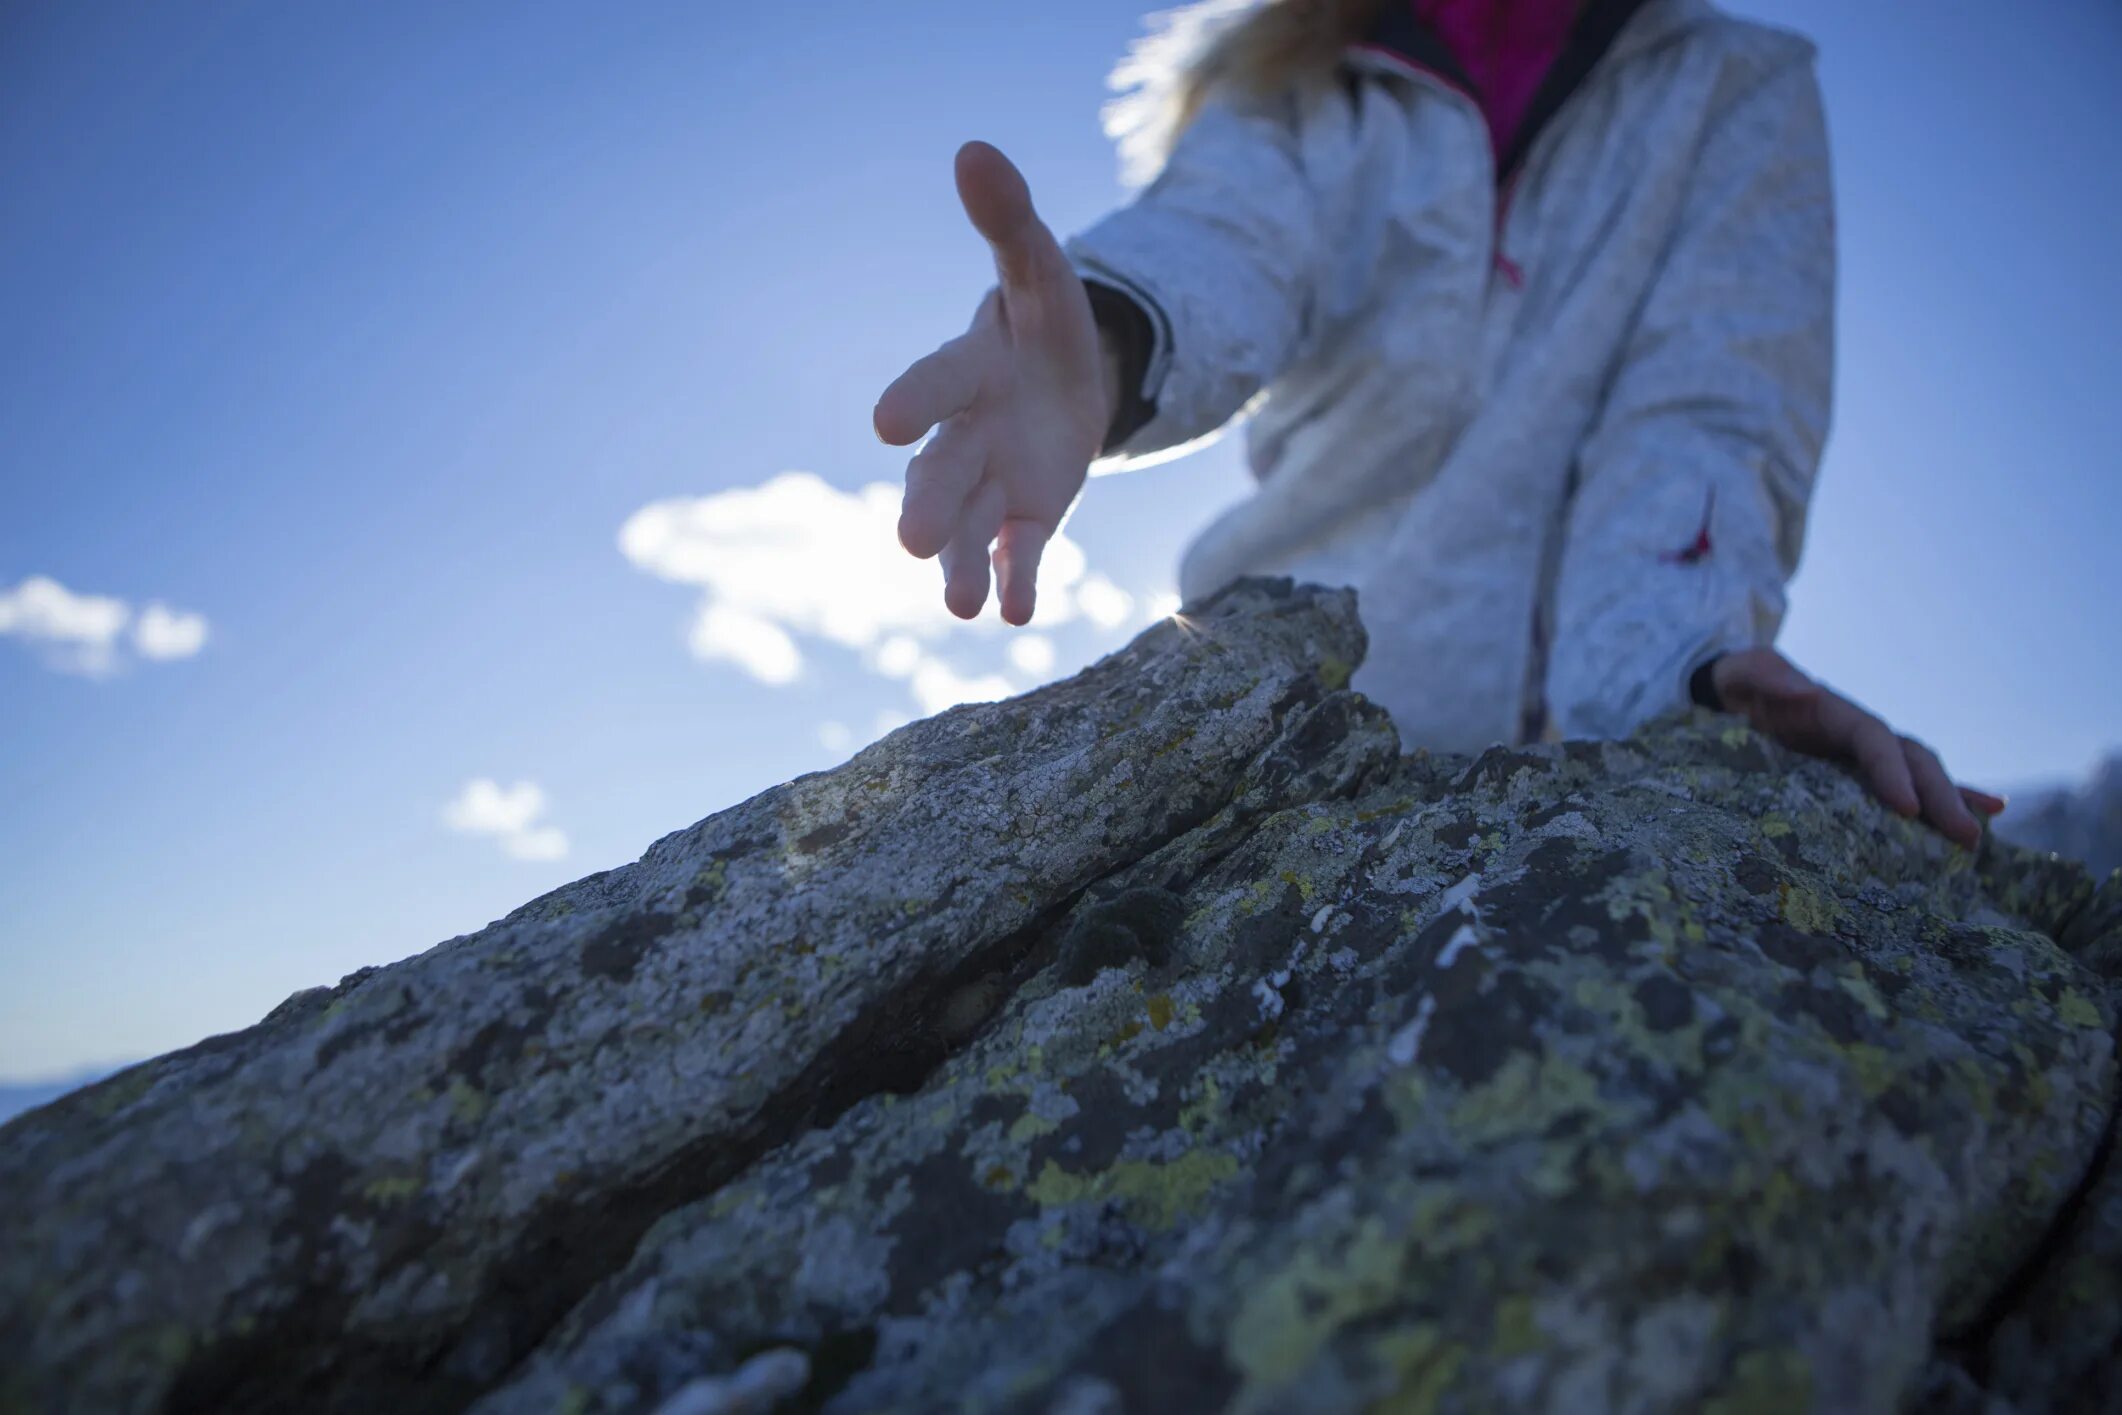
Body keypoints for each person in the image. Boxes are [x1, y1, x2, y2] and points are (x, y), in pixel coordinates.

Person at [872, 0, 2005, 847]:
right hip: (1278, 722)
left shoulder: (1732, 87)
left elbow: (1710, 408)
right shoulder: (1299, 79)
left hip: (1587, 793)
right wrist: (1110, 337)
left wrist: (1690, 663)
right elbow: (1224, 240)